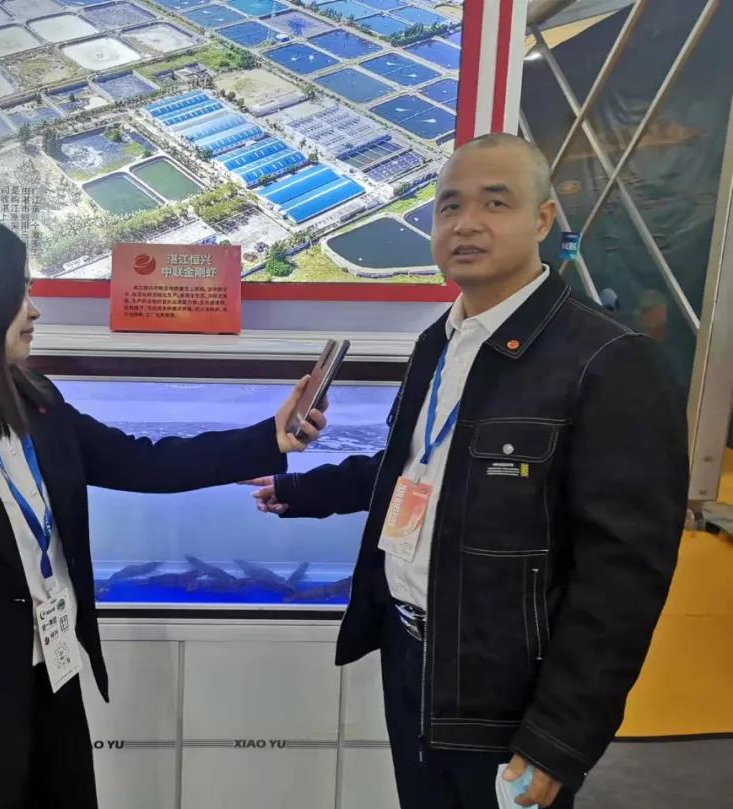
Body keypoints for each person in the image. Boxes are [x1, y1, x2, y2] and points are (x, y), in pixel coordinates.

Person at [0, 212, 327, 809]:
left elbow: (142, 462)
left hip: (52, 688)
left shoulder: (33, 401)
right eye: (19, 292)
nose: (33, 310)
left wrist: (269, 437)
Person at [249, 134, 687, 808]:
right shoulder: (441, 341)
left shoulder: (607, 360)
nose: (466, 223)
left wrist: (558, 739)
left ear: (542, 220)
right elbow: (416, 467)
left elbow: (623, 579)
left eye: (495, 203)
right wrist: (300, 489)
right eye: (449, 206)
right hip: (413, 662)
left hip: (506, 695)